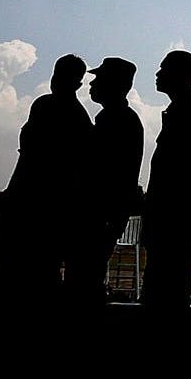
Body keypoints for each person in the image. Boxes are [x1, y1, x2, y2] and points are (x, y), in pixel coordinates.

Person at [0, 54, 93, 304]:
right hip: (33, 203)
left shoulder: (67, 115)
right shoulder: (58, 111)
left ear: (76, 83)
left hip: (43, 208)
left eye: (62, 76)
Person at [64, 57, 143, 306]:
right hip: (99, 214)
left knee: (84, 280)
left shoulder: (119, 121)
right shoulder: (112, 119)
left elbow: (107, 175)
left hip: (99, 215)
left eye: (99, 79)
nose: (92, 83)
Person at [141, 50, 191, 311]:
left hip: (174, 217)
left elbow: (179, 173)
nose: (158, 74)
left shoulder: (190, 111)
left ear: (182, 75)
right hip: (170, 217)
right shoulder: (183, 109)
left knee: (167, 285)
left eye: (164, 69)